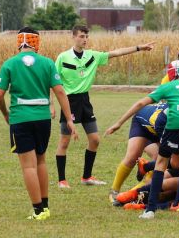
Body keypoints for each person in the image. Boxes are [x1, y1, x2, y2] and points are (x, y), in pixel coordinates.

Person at [105, 61, 179, 219]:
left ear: (171, 74)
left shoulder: (168, 86)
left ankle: (151, 210)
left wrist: (119, 123)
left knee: (162, 163)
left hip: (176, 123)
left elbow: (141, 103)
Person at [54, 25, 155, 188]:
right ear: (73, 37)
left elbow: (116, 53)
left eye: (86, 36)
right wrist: (52, 105)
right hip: (69, 102)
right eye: (81, 36)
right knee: (64, 142)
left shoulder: (93, 56)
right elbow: (54, 84)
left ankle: (87, 177)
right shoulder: (62, 57)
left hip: (85, 101)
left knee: (94, 140)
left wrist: (138, 48)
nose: (84, 39)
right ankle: (62, 180)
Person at [0, 27, 78, 220]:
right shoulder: (47, 63)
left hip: (20, 118)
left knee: (28, 167)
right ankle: (45, 207)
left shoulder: (9, 64)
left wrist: (6, 114)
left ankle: (38, 210)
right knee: (40, 160)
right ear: (36, 43)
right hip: (42, 119)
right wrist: (70, 120)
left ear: (18, 42)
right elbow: (60, 92)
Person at [108, 102, 167, 203]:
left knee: (160, 160)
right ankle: (114, 190)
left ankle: (131, 193)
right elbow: (140, 103)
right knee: (133, 156)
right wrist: (119, 123)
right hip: (143, 123)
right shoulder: (171, 115)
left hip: (159, 127)